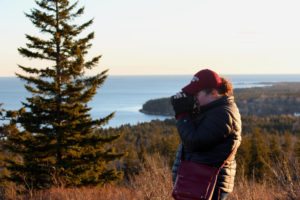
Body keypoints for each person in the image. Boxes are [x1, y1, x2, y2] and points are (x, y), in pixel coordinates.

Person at [171, 69, 242, 200]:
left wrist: (182, 115)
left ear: (213, 93)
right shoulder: (210, 111)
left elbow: (194, 143)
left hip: (210, 187)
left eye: (196, 94)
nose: (194, 97)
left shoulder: (224, 114)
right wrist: (189, 112)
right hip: (197, 183)